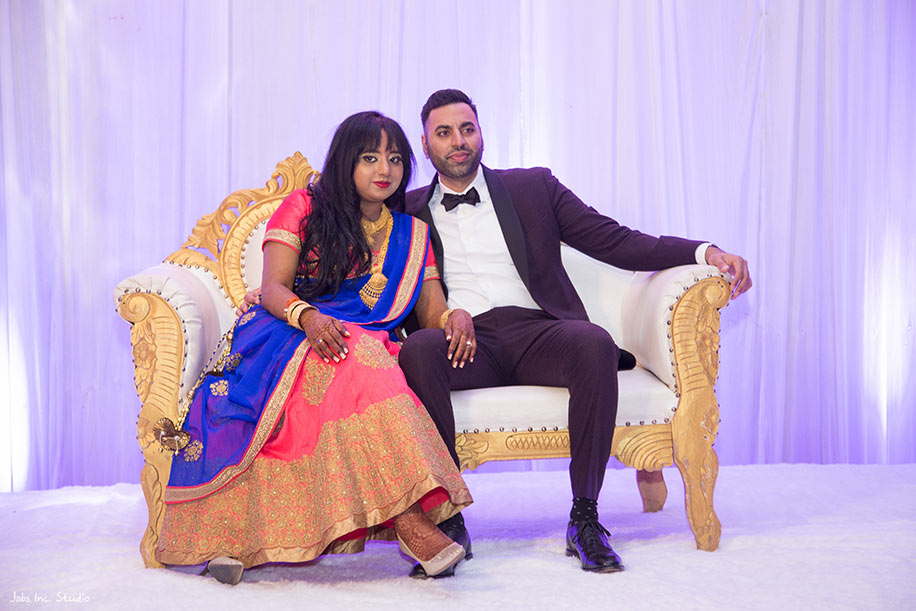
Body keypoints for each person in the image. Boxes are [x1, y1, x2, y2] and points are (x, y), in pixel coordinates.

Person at [396, 89, 752, 576]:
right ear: (425, 144)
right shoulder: (405, 211)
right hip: (465, 343)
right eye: (444, 132)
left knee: (594, 343)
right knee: (419, 349)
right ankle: (447, 522)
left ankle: (585, 518)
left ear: (481, 134)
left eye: (467, 129)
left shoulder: (533, 188)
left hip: (537, 332)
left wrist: (702, 252)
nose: (458, 141)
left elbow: (615, 240)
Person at [156, 111, 477, 585]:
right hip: (287, 329)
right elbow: (273, 288)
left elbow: (431, 314)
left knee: (364, 357)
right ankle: (410, 524)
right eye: (370, 158)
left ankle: (402, 522)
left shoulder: (413, 234)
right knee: (359, 357)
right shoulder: (304, 207)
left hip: (360, 341)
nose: (384, 170)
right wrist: (309, 317)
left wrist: (455, 317)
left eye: (394, 159)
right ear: (346, 160)